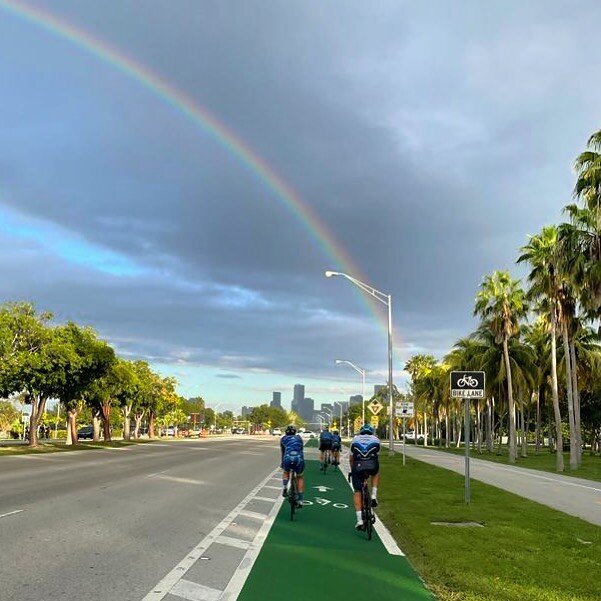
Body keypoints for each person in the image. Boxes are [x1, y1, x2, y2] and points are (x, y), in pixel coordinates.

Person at [349, 424, 381, 531]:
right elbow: (377, 455)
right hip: (372, 464)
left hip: (358, 466)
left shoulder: (355, 439)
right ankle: (373, 495)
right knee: (376, 472)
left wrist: (353, 471)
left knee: (357, 491)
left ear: (361, 432)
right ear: (371, 432)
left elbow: (351, 458)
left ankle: (359, 520)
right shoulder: (376, 439)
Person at [280, 424, 305, 507]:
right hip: (298, 459)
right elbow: (301, 451)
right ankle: (301, 500)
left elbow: (283, 452)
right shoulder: (299, 438)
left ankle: (285, 487)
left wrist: (282, 464)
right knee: (300, 477)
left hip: (287, 459)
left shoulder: (283, 439)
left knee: (286, 472)